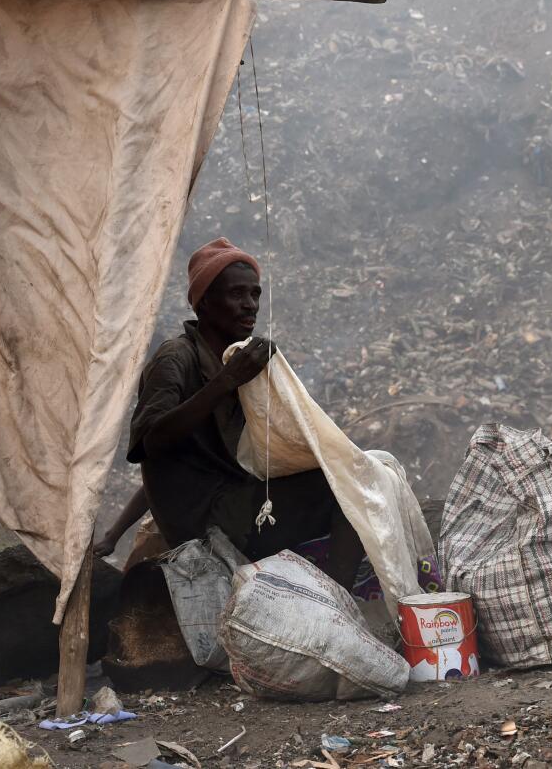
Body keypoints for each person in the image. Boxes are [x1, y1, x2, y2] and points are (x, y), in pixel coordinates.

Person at [110, 237, 366, 588]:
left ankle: (329, 595)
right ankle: (337, 602)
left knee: (355, 469)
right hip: (209, 522)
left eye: (255, 295)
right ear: (204, 304)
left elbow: (188, 454)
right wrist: (229, 381)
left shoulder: (233, 357)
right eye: (237, 295)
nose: (250, 306)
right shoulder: (177, 359)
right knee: (346, 486)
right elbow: (152, 444)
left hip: (231, 505)